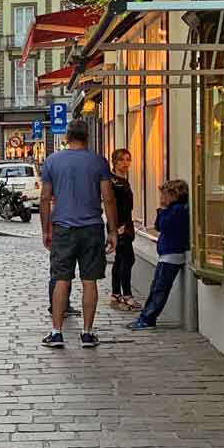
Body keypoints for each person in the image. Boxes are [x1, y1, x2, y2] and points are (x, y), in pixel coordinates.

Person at [39, 120, 117, 349]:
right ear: (87, 137)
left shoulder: (52, 161)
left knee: (61, 279)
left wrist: (46, 228)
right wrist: (112, 230)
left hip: (63, 228)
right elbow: (108, 197)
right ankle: (87, 332)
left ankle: (56, 333)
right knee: (89, 281)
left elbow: (44, 198)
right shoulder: (98, 162)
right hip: (92, 228)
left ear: (67, 137)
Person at [130, 180, 190, 330]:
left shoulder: (177, 210)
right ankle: (146, 316)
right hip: (167, 254)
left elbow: (162, 226)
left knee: (159, 289)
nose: (161, 197)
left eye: (164, 194)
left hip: (172, 254)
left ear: (174, 195)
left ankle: (148, 318)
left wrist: (162, 209)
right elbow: (158, 226)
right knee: (156, 287)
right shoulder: (173, 209)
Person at [109, 148, 137, 309]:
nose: (126, 163)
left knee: (121, 259)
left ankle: (116, 293)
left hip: (127, 223)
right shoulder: (113, 182)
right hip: (119, 225)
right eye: (122, 160)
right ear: (115, 162)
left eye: (128, 159)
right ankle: (126, 294)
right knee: (127, 259)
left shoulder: (123, 180)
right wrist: (116, 226)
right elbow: (112, 205)